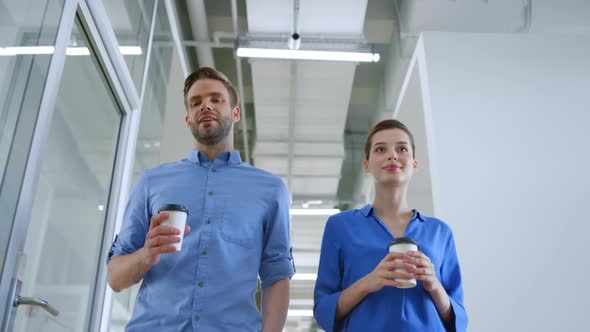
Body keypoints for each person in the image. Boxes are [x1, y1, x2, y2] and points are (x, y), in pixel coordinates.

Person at [106, 67, 295, 331]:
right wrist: (145, 255)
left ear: (235, 113)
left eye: (216, 99)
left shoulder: (270, 190)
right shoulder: (151, 182)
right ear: (188, 119)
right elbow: (115, 278)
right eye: (196, 103)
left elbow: (277, 276)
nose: (205, 106)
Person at [313, 119, 467, 331]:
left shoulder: (440, 232)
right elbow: (323, 312)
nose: (392, 155)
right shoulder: (340, 227)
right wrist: (368, 282)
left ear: (414, 164)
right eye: (380, 149)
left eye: (402, 148)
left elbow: (458, 320)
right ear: (366, 165)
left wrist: (433, 284)